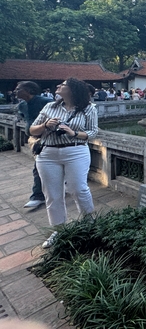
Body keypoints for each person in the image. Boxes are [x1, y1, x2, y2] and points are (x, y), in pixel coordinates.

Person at [29, 78, 98, 248]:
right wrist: (45, 124)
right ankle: (59, 230)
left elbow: (93, 132)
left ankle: (90, 224)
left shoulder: (88, 109)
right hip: (48, 153)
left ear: (73, 90)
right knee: (52, 194)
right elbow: (32, 129)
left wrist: (73, 132)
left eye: (63, 85)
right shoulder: (50, 107)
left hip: (76, 150)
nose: (59, 86)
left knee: (78, 188)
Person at [14, 81, 50, 209]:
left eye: (19, 89)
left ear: (29, 90)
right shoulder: (22, 105)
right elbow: (24, 118)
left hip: (47, 139)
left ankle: (37, 195)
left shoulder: (45, 102)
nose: (15, 91)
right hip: (33, 139)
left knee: (38, 167)